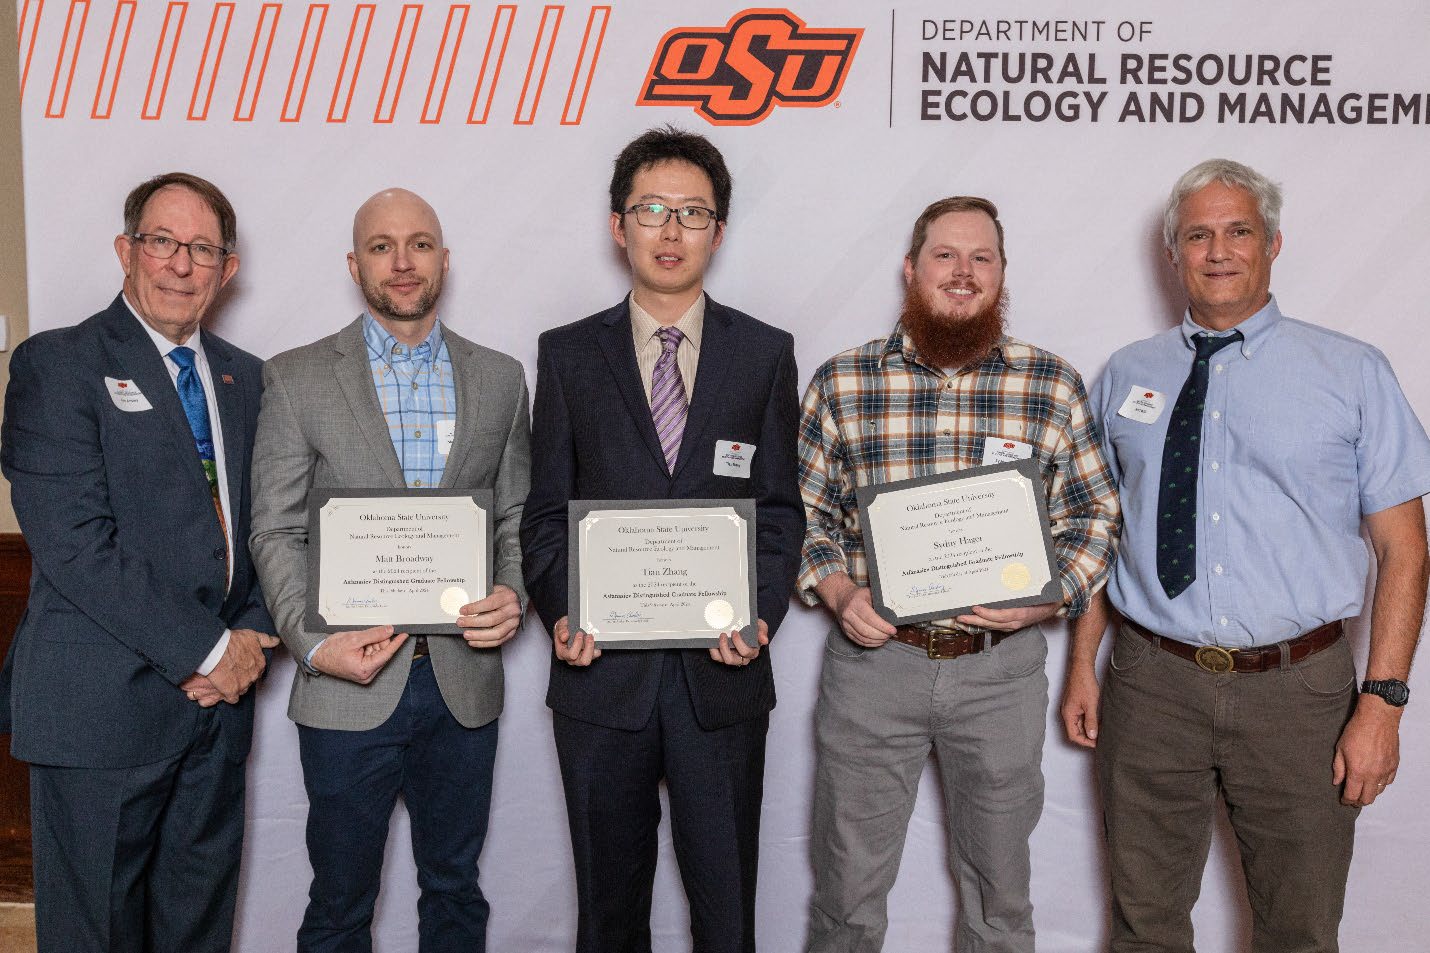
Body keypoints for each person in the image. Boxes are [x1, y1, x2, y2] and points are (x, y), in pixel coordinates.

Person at [1060, 158, 1430, 952]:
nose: (1218, 250)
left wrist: (1384, 701)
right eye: (1198, 234)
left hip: (1300, 694)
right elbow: (1099, 527)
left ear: (1273, 244)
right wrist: (1084, 664)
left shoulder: (1352, 371)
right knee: (1144, 926)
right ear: (1174, 253)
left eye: (1238, 231)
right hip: (1151, 685)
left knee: (1299, 929)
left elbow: (1405, 549)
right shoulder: (1127, 374)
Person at [797, 196, 1121, 953]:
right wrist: (840, 592)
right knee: (846, 895)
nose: (963, 272)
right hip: (876, 666)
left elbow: (1095, 518)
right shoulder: (843, 382)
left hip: (999, 673)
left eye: (982, 258)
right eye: (945, 255)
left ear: (1002, 275)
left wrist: (1044, 602)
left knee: (1000, 899)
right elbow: (802, 517)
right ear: (912, 269)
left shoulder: (1051, 383)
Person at [519, 126, 803, 953]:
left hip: (724, 679)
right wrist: (563, 613)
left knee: (727, 917)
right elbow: (545, 512)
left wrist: (759, 619)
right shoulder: (568, 354)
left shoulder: (764, 352)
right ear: (619, 225)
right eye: (651, 209)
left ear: (718, 230)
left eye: (692, 213)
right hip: (601, 679)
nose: (671, 231)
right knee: (609, 917)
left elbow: (779, 511)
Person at [0, 172, 280, 952]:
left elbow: (268, 529)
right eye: (162, 242)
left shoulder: (247, 378)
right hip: (100, 712)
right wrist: (211, 647)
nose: (180, 264)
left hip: (217, 712)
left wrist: (251, 637)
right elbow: (76, 545)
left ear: (228, 268)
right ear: (127, 251)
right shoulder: (58, 364)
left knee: (198, 926)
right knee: (97, 934)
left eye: (202, 248)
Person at [248, 188, 530, 953]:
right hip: (345, 688)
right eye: (381, 246)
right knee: (340, 903)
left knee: (455, 890)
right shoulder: (296, 377)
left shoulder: (501, 378)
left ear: (444, 259)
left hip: (462, 686)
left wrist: (513, 593)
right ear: (354, 264)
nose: (402, 262)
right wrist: (313, 645)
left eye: (419, 244)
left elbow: (512, 520)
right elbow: (273, 528)